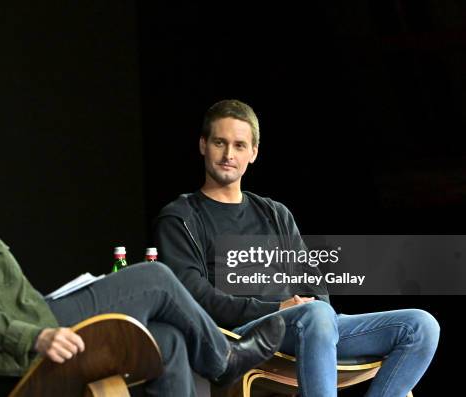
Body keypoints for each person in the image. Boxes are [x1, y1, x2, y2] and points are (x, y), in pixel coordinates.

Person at [0, 87, 286, 396]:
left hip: (34, 319)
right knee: (155, 279)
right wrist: (32, 337)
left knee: (169, 340)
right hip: (30, 340)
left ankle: (218, 358)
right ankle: (225, 359)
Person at [153, 99, 440, 396]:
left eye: (239, 146)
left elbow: (312, 281)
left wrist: (318, 319)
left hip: (312, 324)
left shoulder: (274, 213)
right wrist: (279, 308)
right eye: (219, 143)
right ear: (203, 145)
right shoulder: (181, 217)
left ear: (253, 153)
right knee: (315, 315)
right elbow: (193, 295)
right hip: (241, 335)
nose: (228, 155)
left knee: (421, 327)